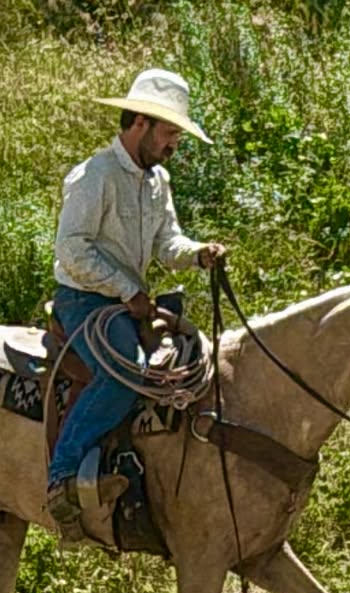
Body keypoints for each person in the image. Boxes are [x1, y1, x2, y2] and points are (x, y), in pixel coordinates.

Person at [46, 68, 226, 544]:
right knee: (125, 373)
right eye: (169, 133)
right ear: (140, 123)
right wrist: (127, 289)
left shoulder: (157, 180)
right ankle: (62, 476)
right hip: (84, 299)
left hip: (128, 304)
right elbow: (72, 249)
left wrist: (198, 253)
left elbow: (167, 243)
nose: (174, 145)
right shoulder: (95, 176)